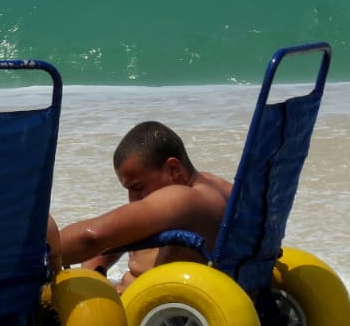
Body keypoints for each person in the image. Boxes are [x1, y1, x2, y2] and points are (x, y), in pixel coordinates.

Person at [56, 120, 231, 291]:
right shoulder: (219, 192)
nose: (133, 199)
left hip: (155, 314)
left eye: (138, 187)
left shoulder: (186, 200)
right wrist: (95, 272)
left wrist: (34, 252)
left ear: (173, 169)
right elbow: (115, 236)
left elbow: (92, 237)